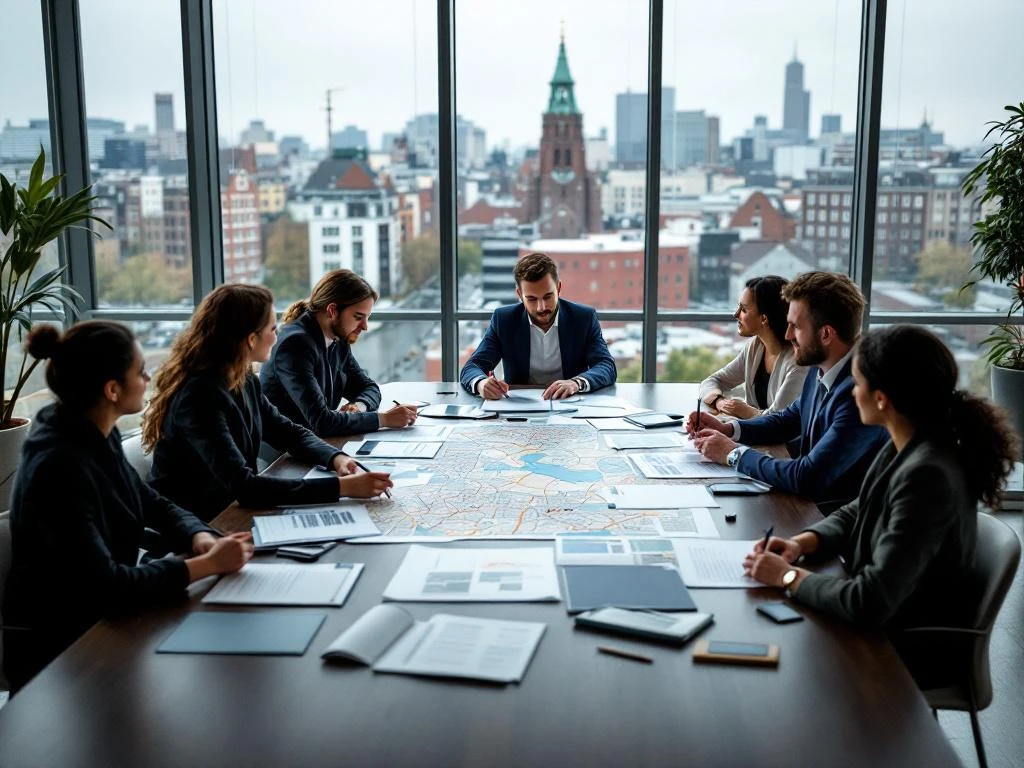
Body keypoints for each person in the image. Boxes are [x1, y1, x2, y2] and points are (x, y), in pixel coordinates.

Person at [2, 322, 255, 692]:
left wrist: (198, 534)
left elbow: (149, 500)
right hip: (64, 650)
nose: (149, 376)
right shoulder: (59, 466)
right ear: (112, 389)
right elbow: (107, 586)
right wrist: (206, 565)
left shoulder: (86, 430)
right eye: (140, 371)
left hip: (103, 620)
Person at [743, 326, 1018, 649]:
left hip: (900, 647)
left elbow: (870, 601)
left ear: (881, 399)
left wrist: (787, 576)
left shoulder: (928, 475)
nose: (852, 391)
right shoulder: (909, 442)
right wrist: (802, 543)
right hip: (882, 622)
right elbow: (859, 508)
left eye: (857, 383)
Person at [143, 284, 392, 522]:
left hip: (232, 512)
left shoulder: (243, 378)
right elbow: (246, 486)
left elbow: (287, 431)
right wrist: (342, 487)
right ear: (251, 339)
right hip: (200, 526)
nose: (277, 337)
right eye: (273, 329)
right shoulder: (199, 396)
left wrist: (337, 459)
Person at [689, 271, 887, 507]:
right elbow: (787, 420)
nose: (787, 334)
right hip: (806, 507)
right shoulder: (820, 368)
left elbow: (807, 476)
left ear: (826, 334)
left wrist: (733, 454)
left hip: (831, 517)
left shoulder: (859, 394)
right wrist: (728, 428)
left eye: (796, 327)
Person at [259, 269, 418, 437]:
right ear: (332, 311)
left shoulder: (337, 339)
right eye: (358, 317)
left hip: (317, 442)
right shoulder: (295, 345)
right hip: (283, 453)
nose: (365, 326)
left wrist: (359, 406)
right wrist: (384, 420)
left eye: (367, 317)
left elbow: (369, 387)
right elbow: (322, 422)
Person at [459, 252, 617, 400]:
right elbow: (472, 366)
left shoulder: (583, 318)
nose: (541, 307)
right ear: (520, 295)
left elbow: (606, 366)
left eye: (548, 296)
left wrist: (576, 383)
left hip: (571, 405)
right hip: (520, 411)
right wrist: (481, 383)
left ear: (559, 288)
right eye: (532, 299)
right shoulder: (504, 320)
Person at [698, 275, 807, 418]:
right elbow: (712, 381)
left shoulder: (797, 364)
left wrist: (746, 411)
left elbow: (780, 421)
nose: (735, 314)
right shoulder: (755, 347)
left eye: (743, 309)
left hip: (779, 440)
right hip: (752, 436)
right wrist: (719, 401)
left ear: (764, 318)